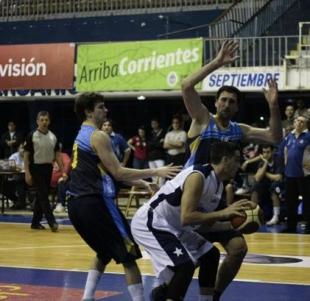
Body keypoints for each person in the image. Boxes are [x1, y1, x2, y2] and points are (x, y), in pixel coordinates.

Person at [181, 40, 283, 300]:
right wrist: (216, 63)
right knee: (188, 261)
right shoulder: (203, 120)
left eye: (232, 102)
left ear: (237, 107)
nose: (227, 104)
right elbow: (186, 86)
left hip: (216, 204)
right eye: (223, 100)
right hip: (189, 202)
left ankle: (214, 295)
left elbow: (274, 137)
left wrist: (272, 106)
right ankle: (169, 290)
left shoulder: (240, 130)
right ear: (215, 103)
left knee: (237, 248)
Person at [66, 93, 180, 301]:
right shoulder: (98, 136)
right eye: (101, 107)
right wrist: (155, 172)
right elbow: (118, 172)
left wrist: (143, 183)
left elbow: (110, 174)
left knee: (104, 252)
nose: (106, 110)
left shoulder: (81, 135)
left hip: (75, 204)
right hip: (96, 203)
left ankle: (87, 297)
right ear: (88, 111)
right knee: (129, 255)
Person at [132, 142, 252, 301]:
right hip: (152, 222)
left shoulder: (218, 186)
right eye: (236, 160)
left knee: (211, 254)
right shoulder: (198, 176)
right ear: (225, 160)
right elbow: (187, 217)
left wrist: (234, 225)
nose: (239, 164)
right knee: (185, 266)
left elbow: (203, 226)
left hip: (174, 226)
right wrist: (223, 213)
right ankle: (166, 292)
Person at [24, 111, 67, 232]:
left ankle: (35, 222)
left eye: (46, 120)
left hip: (48, 168)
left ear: (49, 121)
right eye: (41, 120)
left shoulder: (53, 136)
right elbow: (26, 156)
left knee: (40, 195)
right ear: (37, 121)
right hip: (35, 168)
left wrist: (63, 172)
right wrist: (27, 173)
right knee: (43, 195)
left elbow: (58, 156)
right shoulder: (31, 135)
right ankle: (52, 221)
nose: (44, 122)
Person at [281, 115, 310, 233]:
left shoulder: (309, 136)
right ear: (294, 123)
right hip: (290, 174)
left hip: (305, 175)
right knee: (290, 202)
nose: (299, 123)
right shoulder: (289, 136)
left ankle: (309, 225)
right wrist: (285, 167)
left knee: (308, 202)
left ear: (306, 124)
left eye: (302, 122)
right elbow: (285, 152)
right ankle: (291, 226)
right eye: (297, 121)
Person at [251, 144, 283, 225]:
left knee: (274, 186)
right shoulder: (263, 161)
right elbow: (257, 178)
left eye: (268, 152)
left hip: (281, 184)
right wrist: (265, 163)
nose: (265, 154)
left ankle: (276, 217)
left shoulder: (278, 159)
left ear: (273, 152)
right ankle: (253, 215)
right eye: (264, 152)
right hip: (267, 184)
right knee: (255, 187)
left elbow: (278, 177)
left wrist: (264, 173)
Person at [148, 118, 166, 186]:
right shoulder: (150, 133)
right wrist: (157, 143)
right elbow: (148, 145)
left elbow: (162, 145)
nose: (153, 125)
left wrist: (154, 144)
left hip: (160, 157)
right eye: (152, 123)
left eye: (155, 123)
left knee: (162, 174)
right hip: (151, 157)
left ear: (158, 124)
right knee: (153, 175)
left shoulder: (163, 132)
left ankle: (162, 190)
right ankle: (155, 192)